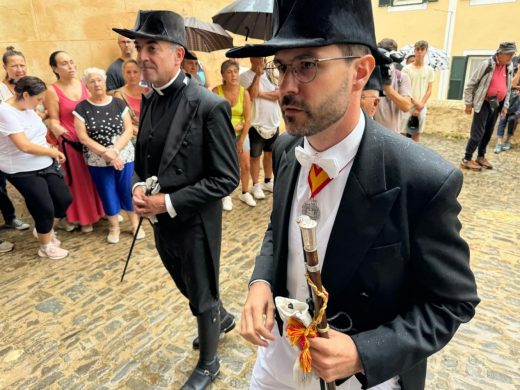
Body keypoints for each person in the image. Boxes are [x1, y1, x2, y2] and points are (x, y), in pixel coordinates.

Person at [227, 0, 479, 389]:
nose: (287, 87)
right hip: (276, 362)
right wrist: (260, 282)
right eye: (282, 66)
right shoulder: (285, 150)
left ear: (360, 71)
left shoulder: (423, 179)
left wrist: (364, 352)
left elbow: (451, 303)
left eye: (307, 65)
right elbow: (280, 232)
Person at [113, 10, 239, 389]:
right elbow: (144, 153)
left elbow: (226, 178)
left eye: (152, 47)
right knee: (185, 283)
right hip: (161, 221)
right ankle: (221, 317)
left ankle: (210, 362)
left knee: (201, 292)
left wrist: (166, 202)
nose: (142, 56)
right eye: (139, 48)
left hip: (195, 221)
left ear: (177, 55)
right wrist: (137, 186)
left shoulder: (208, 106)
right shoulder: (149, 99)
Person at [0, 76, 72, 259]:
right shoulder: (5, 112)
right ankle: (45, 246)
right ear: (25, 94)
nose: (41, 103)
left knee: (64, 199)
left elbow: (38, 136)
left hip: (45, 161)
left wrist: (51, 149)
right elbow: (24, 145)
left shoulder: (28, 107)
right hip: (21, 169)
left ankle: (45, 229)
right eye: (38, 99)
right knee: (43, 207)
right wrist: (52, 152)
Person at [73, 68, 142, 244]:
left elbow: (128, 130)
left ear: (105, 82)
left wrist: (115, 151)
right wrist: (107, 154)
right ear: (86, 85)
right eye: (92, 81)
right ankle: (114, 227)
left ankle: (135, 224)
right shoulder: (82, 108)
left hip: (124, 155)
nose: (96, 84)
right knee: (107, 192)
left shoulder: (118, 103)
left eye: (99, 80)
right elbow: (83, 137)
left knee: (127, 189)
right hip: (97, 159)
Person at [45, 51, 105, 232]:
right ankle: (83, 218)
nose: (70, 66)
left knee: (95, 178)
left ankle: (101, 211)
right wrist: (56, 128)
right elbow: (53, 119)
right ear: (55, 68)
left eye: (72, 62)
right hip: (71, 142)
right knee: (79, 182)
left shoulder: (84, 83)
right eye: (64, 63)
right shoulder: (52, 90)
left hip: (92, 140)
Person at [461, 42, 516, 171]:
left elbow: (507, 88)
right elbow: (471, 85)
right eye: (509, 54)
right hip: (483, 102)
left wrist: (506, 105)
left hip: (496, 104)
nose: (511, 57)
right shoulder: (486, 64)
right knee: (477, 133)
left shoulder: (509, 66)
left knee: (488, 132)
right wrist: (468, 104)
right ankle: (467, 159)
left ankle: (481, 156)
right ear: (500, 53)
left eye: (512, 55)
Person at [213, 60, 254, 209]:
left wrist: (241, 140)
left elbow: (248, 118)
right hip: (223, 136)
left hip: (242, 134)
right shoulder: (216, 92)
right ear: (223, 75)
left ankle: (245, 192)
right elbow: (215, 118)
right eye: (229, 72)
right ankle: (226, 195)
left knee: (246, 165)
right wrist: (231, 126)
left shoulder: (244, 93)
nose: (233, 75)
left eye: (235, 72)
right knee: (226, 167)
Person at [0, 46, 33, 231]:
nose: (19, 69)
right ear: (5, 67)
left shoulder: (29, 85)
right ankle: (10, 218)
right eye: (14, 66)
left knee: (31, 188)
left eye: (22, 65)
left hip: (29, 146)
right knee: (0, 187)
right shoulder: (1, 89)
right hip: (6, 148)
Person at [240, 57, 281, 200]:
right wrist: (257, 75)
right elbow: (251, 95)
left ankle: (268, 181)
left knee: (269, 154)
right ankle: (256, 184)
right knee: (255, 157)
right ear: (252, 59)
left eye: (263, 59)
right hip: (256, 124)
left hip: (273, 121)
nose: (262, 62)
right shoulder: (244, 77)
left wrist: (261, 94)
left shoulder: (271, 74)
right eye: (259, 59)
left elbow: (279, 94)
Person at [374, 39, 413, 132]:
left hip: (391, 133)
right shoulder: (370, 73)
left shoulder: (402, 77)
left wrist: (388, 88)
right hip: (370, 132)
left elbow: (406, 106)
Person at [401, 41, 435, 142]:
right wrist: (415, 103)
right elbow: (404, 89)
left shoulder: (429, 70)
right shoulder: (406, 69)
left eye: (422, 50)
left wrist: (421, 104)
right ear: (414, 51)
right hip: (408, 105)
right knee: (402, 132)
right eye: (417, 49)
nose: (419, 52)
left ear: (426, 51)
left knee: (416, 133)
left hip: (422, 106)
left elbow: (429, 89)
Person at [113, 59, 149, 140]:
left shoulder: (149, 90)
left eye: (135, 72)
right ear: (123, 74)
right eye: (128, 72)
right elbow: (122, 122)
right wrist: (142, 134)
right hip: (133, 136)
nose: (132, 75)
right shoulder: (119, 94)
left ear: (141, 73)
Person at [494, 63, 520, 153]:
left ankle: (508, 141)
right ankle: (499, 142)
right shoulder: (511, 71)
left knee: (513, 119)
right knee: (503, 118)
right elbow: (510, 85)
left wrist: (515, 88)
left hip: (518, 101)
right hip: (507, 98)